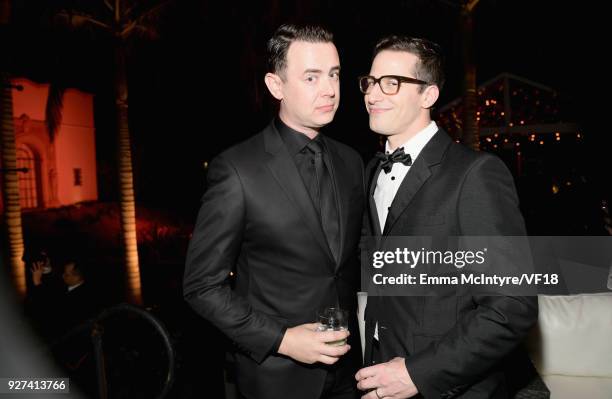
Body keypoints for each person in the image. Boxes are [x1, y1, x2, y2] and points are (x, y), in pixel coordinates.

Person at [183, 24, 365, 399]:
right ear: (275, 85)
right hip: (276, 379)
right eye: (311, 77)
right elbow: (202, 286)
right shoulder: (238, 169)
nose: (330, 89)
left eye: (334, 75)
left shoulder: (350, 161)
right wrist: (282, 340)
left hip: (350, 372)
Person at [355, 36, 538, 399]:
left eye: (391, 83)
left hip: (448, 385)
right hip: (377, 373)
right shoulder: (370, 172)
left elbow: (512, 305)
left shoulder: (476, 174)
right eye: (371, 82)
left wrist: (417, 373)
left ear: (428, 95)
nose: (373, 95)